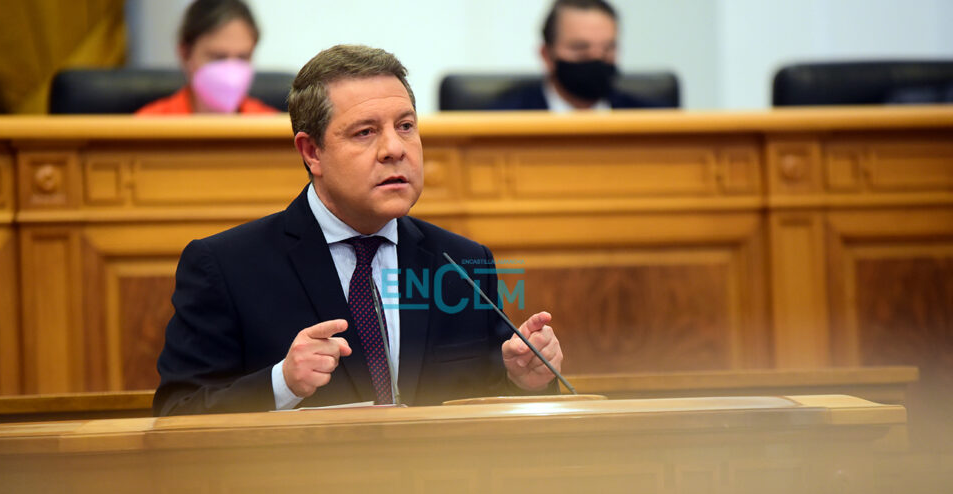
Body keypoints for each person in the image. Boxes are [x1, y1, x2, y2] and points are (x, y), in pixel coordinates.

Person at [154, 44, 563, 415]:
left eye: (405, 126)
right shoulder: (226, 267)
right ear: (312, 152)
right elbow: (176, 414)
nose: (394, 149)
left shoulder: (461, 263)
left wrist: (524, 381)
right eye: (365, 132)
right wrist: (282, 383)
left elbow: (483, 407)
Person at [488, 0, 663, 111]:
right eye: (580, 48)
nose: (596, 57)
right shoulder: (501, 121)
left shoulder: (653, 121)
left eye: (607, 49)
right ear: (546, 56)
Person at [135, 0, 276, 115]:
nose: (231, 73)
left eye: (242, 57)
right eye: (218, 57)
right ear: (185, 54)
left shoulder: (273, 128)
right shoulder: (148, 126)